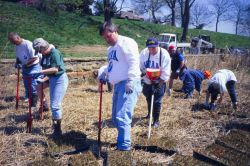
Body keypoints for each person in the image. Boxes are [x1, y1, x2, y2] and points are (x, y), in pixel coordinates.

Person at [99, 21, 142, 151]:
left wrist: (131, 80)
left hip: (128, 82)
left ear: (115, 31)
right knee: (115, 117)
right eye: (104, 38)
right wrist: (105, 73)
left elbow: (134, 62)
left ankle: (124, 147)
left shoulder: (127, 42)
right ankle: (123, 140)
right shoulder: (111, 49)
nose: (107, 39)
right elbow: (112, 65)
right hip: (118, 85)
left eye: (109, 36)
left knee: (122, 116)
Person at [32, 38, 69, 136]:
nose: (39, 53)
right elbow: (47, 71)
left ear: (43, 47)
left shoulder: (54, 53)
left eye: (39, 50)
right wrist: (42, 79)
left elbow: (55, 69)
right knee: (38, 87)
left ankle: (58, 131)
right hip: (51, 79)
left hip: (59, 79)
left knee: (55, 105)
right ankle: (45, 107)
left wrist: (40, 72)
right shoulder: (44, 56)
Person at [140, 38, 171, 127]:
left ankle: (156, 120)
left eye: (153, 48)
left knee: (157, 101)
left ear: (158, 46)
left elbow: (166, 72)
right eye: (149, 48)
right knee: (148, 97)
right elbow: (140, 66)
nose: (151, 50)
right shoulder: (144, 53)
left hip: (159, 80)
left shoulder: (164, 54)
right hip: (147, 81)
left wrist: (159, 84)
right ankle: (150, 114)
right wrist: (142, 72)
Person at [8, 32, 43, 109]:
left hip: (33, 67)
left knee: (33, 85)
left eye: (13, 41)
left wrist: (26, 65)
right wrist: (17, 63)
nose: (13, 43)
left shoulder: (28, 44)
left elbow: (34, 57)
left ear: (17, 38)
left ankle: (34, 104)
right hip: (25, 68)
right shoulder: (16, 46)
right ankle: (30, 99)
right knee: (27, 85)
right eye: (12, 42)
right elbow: (18, 57)